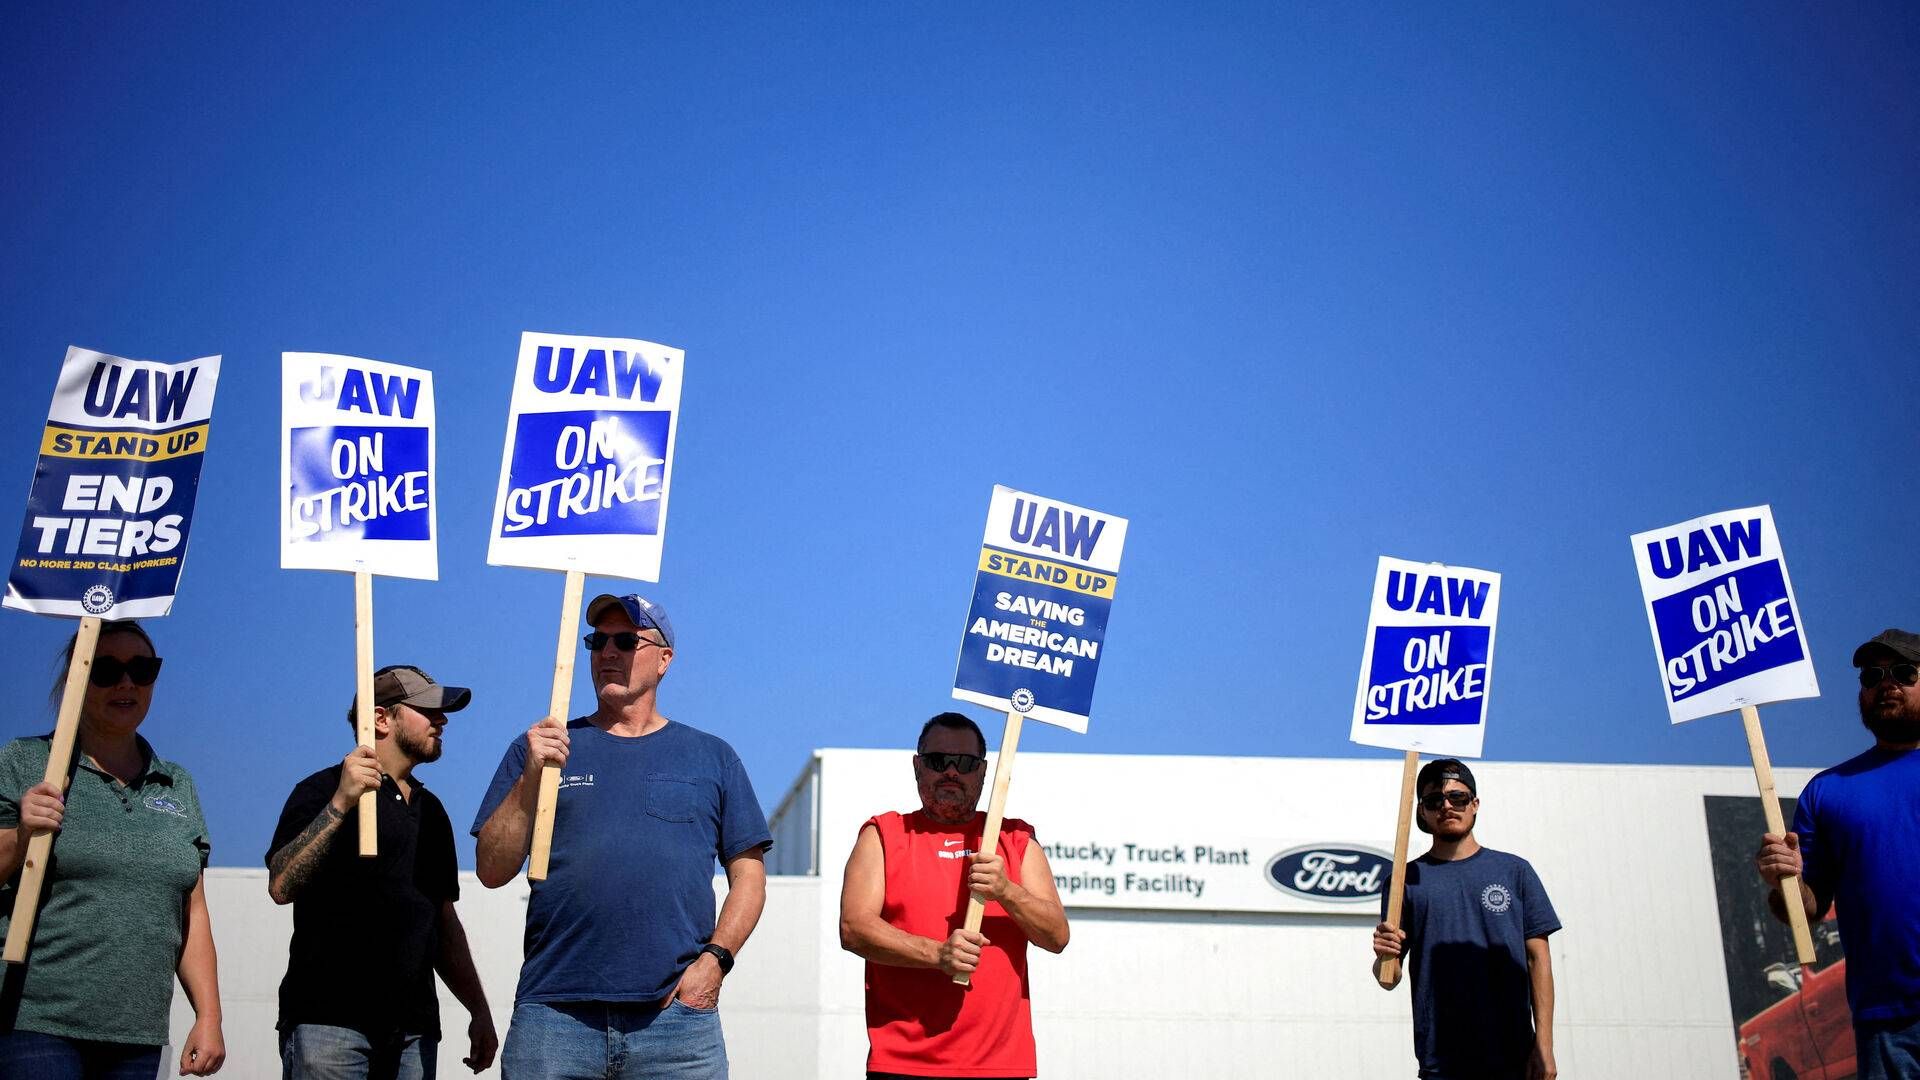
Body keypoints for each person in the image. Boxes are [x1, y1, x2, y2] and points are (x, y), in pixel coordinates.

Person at [472, 594, 771, 1080]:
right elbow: (491, 869)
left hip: (676, 1023)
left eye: (626, 640)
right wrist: (531, 775)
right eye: (597, 641)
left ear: (664, 659)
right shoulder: (543, 748)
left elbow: (750, 879)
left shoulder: (712, 756)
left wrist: (715, 962)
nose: (607, 652)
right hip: (554, 1017)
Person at [0, 619, 225, 1078]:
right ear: (78, 677)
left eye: (142, 669)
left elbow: (192, 910)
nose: (126, 682)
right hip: (36, 1022)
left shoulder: (177, 783)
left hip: (137, 1033)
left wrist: (209, 1017)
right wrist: (22, 833)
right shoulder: (24, 762)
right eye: (106, 669)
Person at [266, 664, 498, 1079]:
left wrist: (478, 1009)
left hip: (413, 1032)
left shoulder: (432, 812)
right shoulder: (320, 790)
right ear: (381, 718)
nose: (441, 721)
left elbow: (443, 923)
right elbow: (282, 885)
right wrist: (342, 802)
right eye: (427, 710)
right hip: (329, 1024)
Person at [838, 711, 1069, 1080]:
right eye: (937, 761)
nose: (950, 772)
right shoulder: (885, 834)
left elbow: (1056, 935)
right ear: (917, 767)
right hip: (905, 1064)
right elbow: (854, 928)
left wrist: (1007, 891)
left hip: (999, 1067)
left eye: (964, 763)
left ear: (983, 771)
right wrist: (938, 954)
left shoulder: (1015, 840)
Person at [1755, 628, 1920, 1077]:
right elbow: (1809, 907)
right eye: (1872, 676)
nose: (1886, 683)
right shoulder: (1828, 792)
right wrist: (1783, 881)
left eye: (1903, 672)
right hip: (1885, 1024)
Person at [1370, 759, 1559, 1080]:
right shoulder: (1404, 880)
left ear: (1475, 804)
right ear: (1422, 812)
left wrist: (1544, 1045)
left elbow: (1537, 959)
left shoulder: (1515, 871)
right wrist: (1384, 956)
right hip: (1442, 1060)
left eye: (1457, 797)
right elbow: (1388, 978)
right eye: (1434, 800)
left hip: (1513, 1055)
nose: (1447, 806)